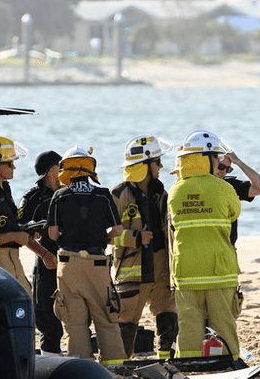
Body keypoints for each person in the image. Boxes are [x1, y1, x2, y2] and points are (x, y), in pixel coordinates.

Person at [167, 130, 245, 367]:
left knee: (189, 326)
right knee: (224, 325)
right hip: (218, 271)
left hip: (187, 272)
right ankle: (228, 364)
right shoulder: (223, 188)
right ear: (207, 158)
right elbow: (234, 212)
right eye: (216, 158)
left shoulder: (175, 191)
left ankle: (189, 366)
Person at [46, 147, 126, 365]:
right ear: (90, 168)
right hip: (97, 263)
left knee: (74, 322)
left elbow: (52, 233)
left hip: (68, 264)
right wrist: (103, 237)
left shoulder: (59, 195)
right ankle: (115, 365)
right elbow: (117, 230)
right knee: (106, 317)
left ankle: (82, 365)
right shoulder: (102, 194)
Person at [111, 135, 177, 359]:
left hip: (161, 266)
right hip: (132, 269)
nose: (160, 166)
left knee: (168, 317)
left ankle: (167, 361)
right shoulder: (118, 195)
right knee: (126, 323)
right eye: (157, 162)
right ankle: (120, 365)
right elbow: (105, 235)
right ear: (145, 165)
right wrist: (135, 238)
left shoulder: (162, 193)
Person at [0, 135, 44, 293]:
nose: (14, 167)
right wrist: (13, 236)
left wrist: (29, 233)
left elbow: (9, 227)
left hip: (9, 260)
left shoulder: (4, 189)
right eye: (10, 163)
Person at [17, 151, 62, 353]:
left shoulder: (69, 191)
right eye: (60, 166)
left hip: (71, 260)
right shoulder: (32, 198)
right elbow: (20, 232)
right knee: (46, 315)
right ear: (52, 170)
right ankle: (50, 357)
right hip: (46, 261)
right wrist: (43, 253)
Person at [213, 148, 260, 247]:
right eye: (221, 167)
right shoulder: (196, 185)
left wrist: (239, 162)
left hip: (227, 245)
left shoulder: (230, 185)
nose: (224, 172)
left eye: (228, 169)